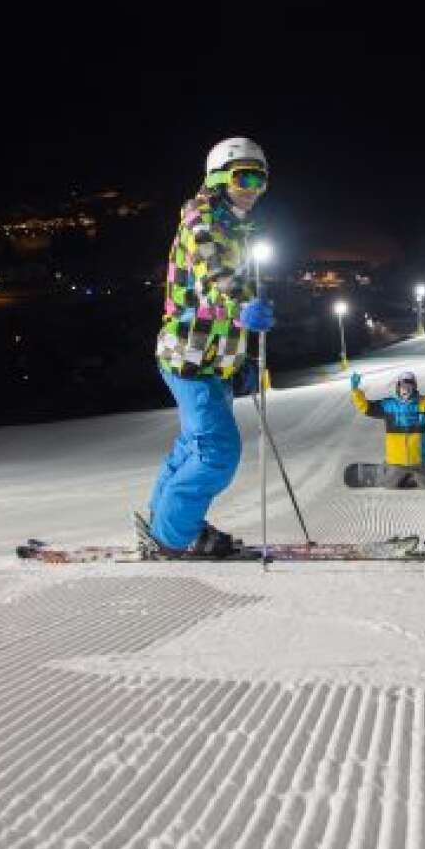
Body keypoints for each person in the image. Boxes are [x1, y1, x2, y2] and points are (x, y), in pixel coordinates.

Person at [145, 137, 276, 557]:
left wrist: (242, 359)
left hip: (214, 362)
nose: (252, 189)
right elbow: (214, 279)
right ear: (219, 178)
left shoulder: (237, 228)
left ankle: (167, 523)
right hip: (189, 359)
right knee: (217, 451)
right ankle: (169, 537)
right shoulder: (202, 222)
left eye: (261, 181)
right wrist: (242, 310)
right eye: (244, 178)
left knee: (193, 445)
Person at [349, 369, 425, 488]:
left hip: (419, 462)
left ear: (414, 387)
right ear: (398, 387)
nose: (405, 389)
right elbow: (366, 408)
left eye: (409, 386)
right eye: (402, 386)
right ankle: (386, 470)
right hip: (396, 462)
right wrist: (355, 390)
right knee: (388, 485)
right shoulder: (388, 405)